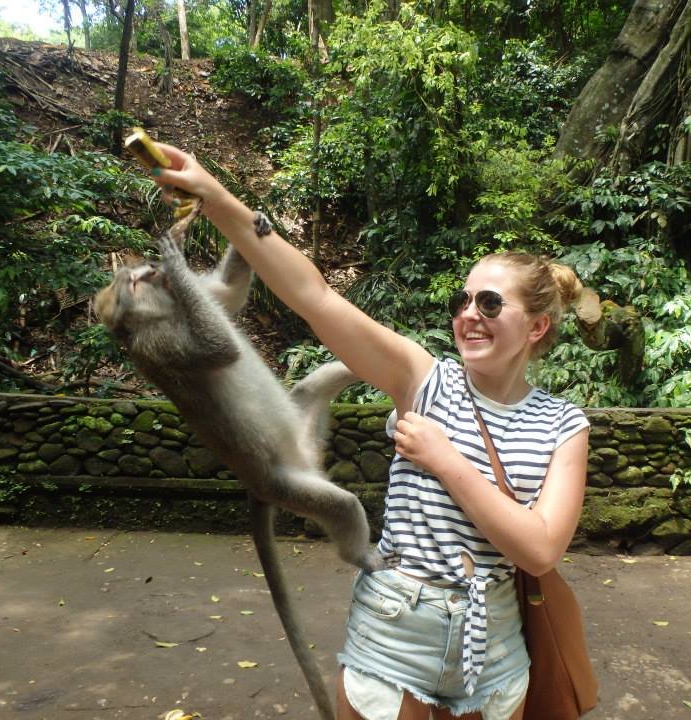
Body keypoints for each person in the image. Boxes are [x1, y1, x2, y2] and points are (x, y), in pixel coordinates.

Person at [148, 144, 590, 720]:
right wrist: (214, 194)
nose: (468, 314)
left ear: (536, 326)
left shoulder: (563, 424)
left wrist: (445, 459)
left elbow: (539, 549)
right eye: (461, 300)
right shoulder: (422, 379)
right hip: (394, 629)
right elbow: (314, 296)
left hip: (497, 640)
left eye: (489, 303)